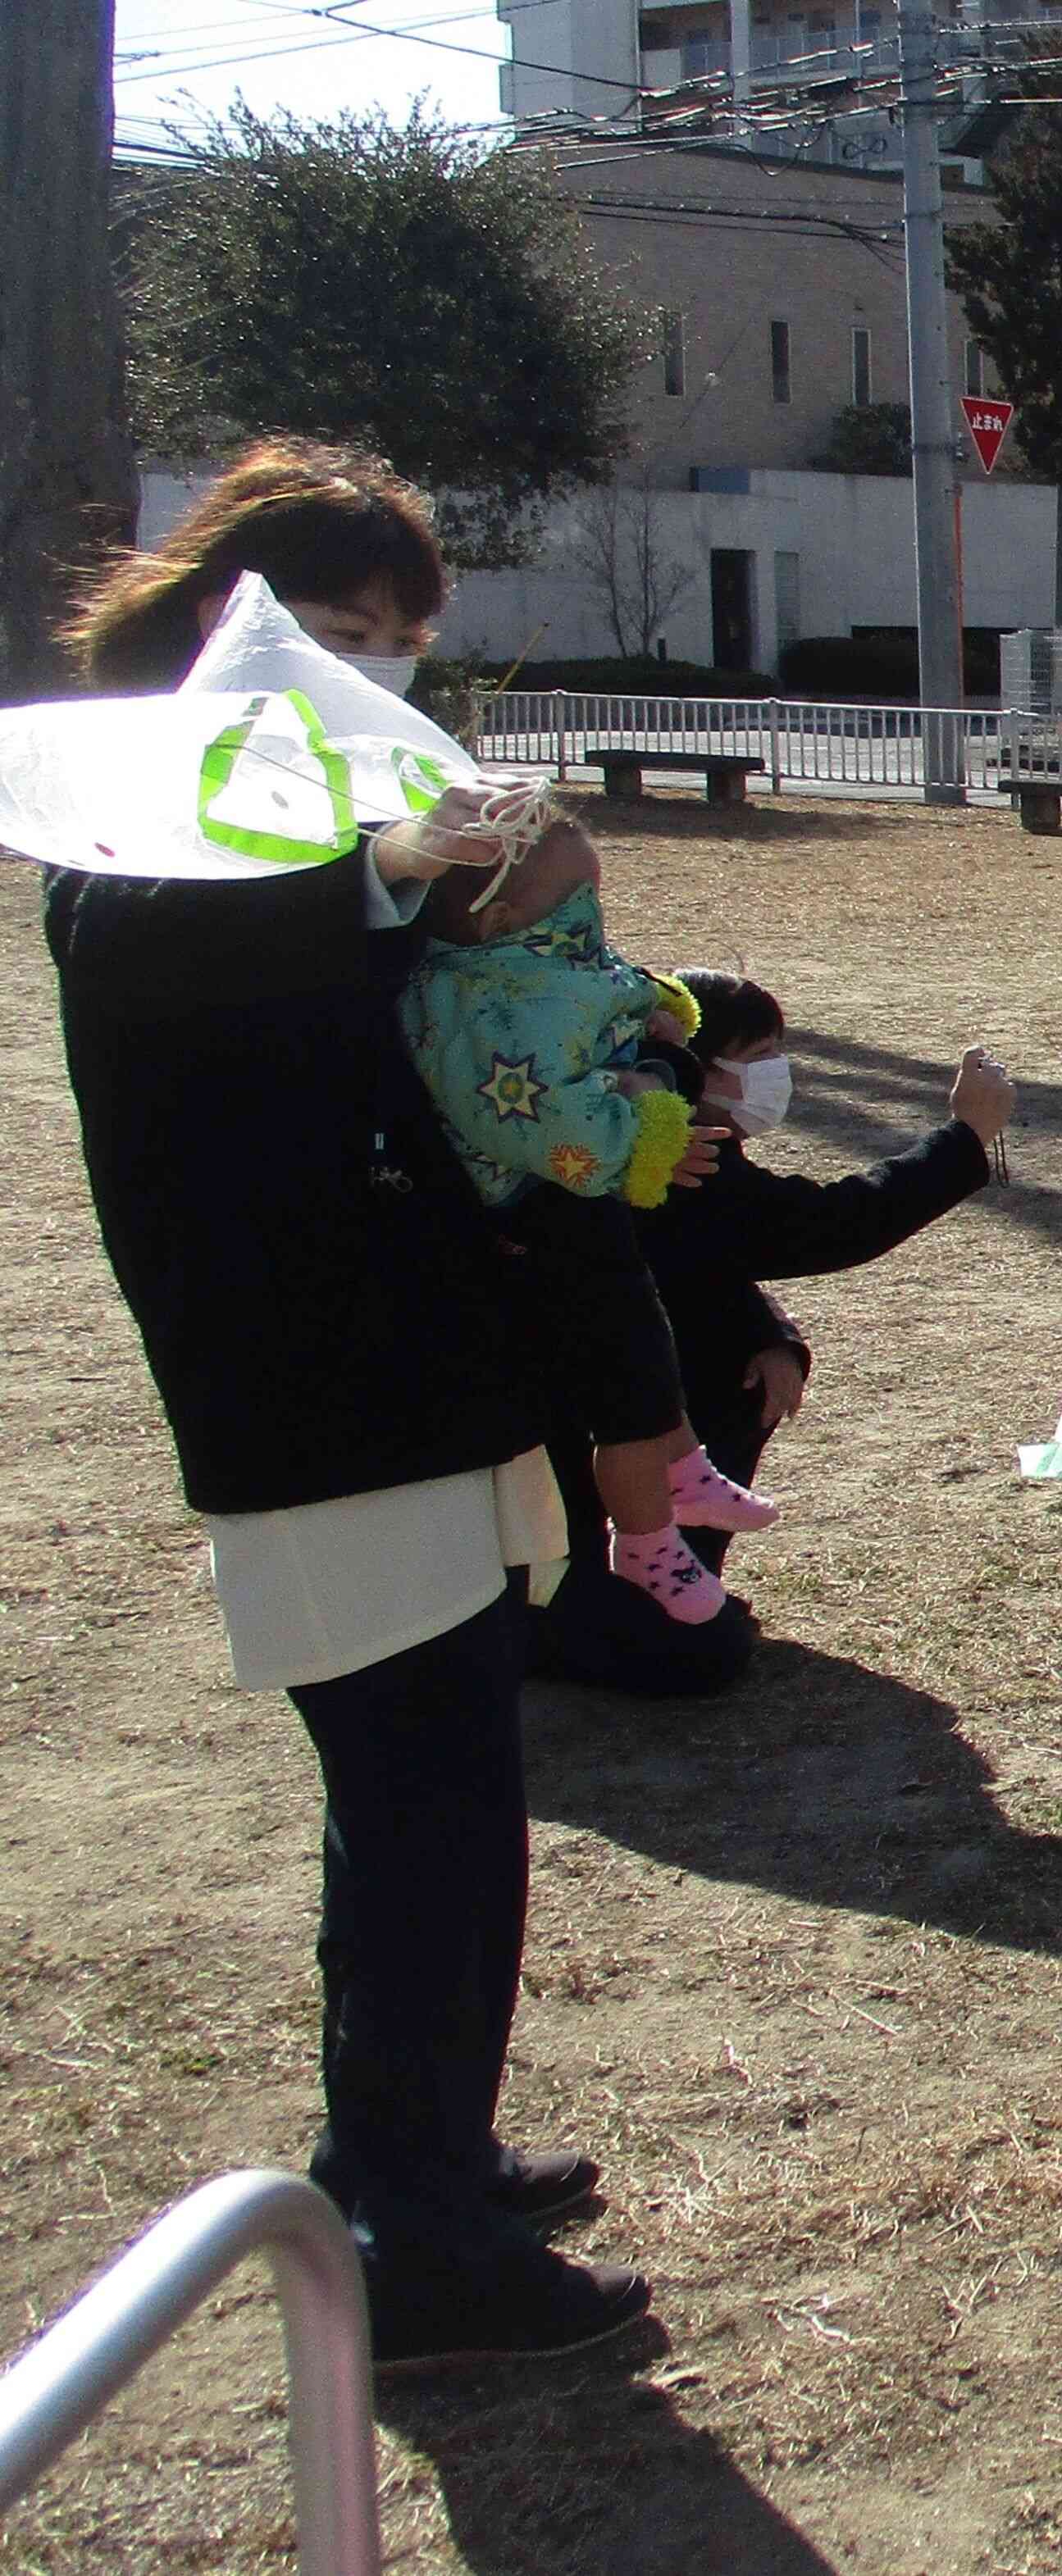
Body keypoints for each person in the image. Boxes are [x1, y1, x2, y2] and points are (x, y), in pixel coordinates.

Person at [43, 439, 650, 2366]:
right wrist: (387, 863)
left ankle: (416, 2152)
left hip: (409, 1383)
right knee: (425, 1806)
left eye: (400, 643)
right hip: (315, 1397)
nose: (371, 672)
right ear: (231, 624)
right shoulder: (150, 829)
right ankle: (411, 2231)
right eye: (335, 632)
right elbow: (146, 942)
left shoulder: (299, 814)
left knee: (434, 1794)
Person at [535, 972, 1014, 1694]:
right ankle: (594, 1597)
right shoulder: (658, 1154)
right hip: (558, 1436)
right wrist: (964, 1137)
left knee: (748, 1361)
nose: (773, 1073)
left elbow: (703, 1258)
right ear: (688, 1066)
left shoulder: (650, 1141)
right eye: (757, 1054)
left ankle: (655, 1572)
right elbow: (824, 1225)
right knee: (695, 1656)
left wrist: (770, 1333)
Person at [400, 803, 773, 1624]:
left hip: (583, 1213)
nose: (595, 923)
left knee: (648, 1345)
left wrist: (660, 1033)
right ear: (501, 918)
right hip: (542, 1220)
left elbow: (611, 1003)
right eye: (578, 903)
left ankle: (684, 1471)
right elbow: (549, 1126)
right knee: (625, 1386)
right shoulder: (479, 1005)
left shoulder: (536, 971)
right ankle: (644, 1539)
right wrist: (645, 1104)